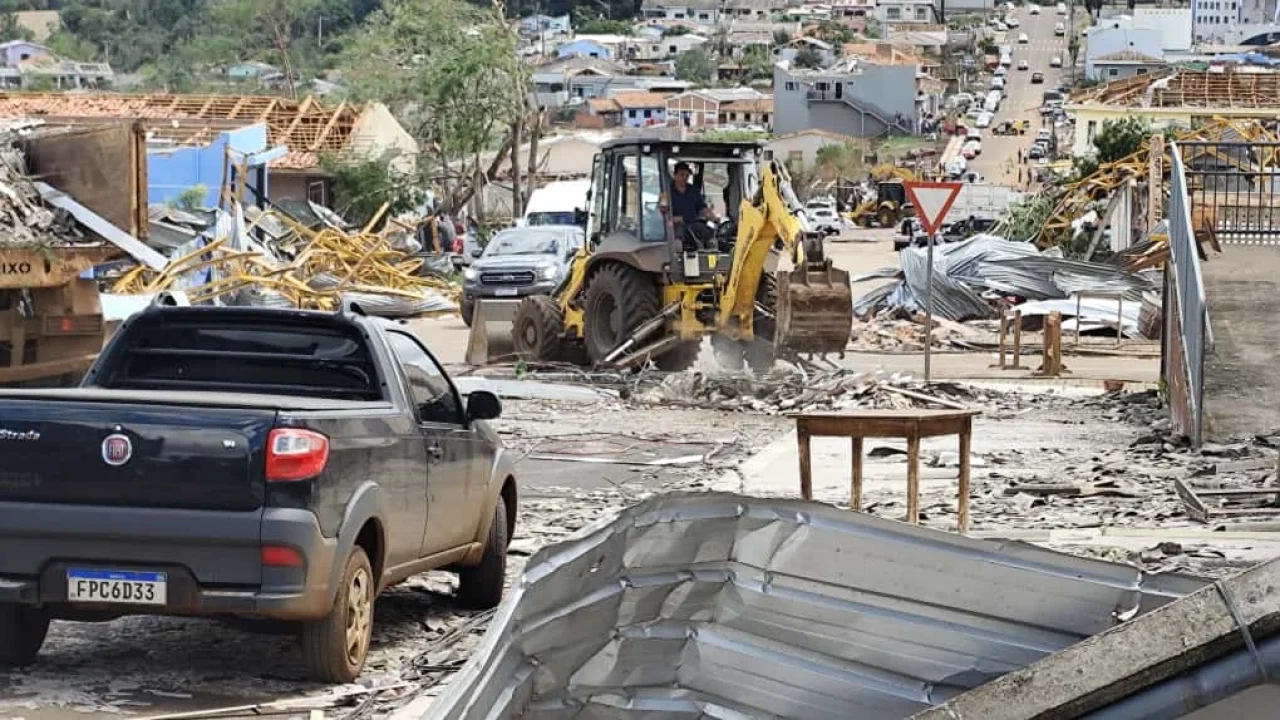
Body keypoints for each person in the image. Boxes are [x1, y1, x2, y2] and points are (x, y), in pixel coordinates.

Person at [670, 161, 711, 228]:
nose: (685, 178)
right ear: (675, 175)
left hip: (693, 228)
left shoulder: (694, 191)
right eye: (682, 175)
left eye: (687, 175)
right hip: (674, 230)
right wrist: (673, 219)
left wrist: (712, 216)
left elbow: (702, 207)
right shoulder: (667, 191)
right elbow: (661, 214)